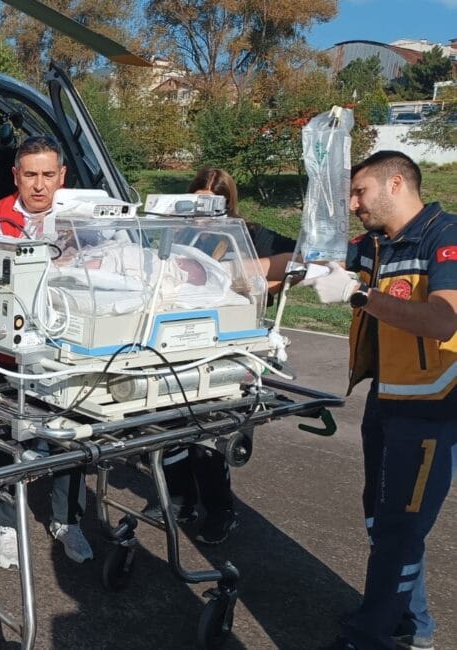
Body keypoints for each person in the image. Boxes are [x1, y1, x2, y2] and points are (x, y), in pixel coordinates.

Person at [305, 151, 457, 650]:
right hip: (386, 398)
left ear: (395, 184)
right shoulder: (376, 243)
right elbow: (310, 260)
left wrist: (358, 295)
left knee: (399, 528)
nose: (352, 204)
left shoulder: (445, 237)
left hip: (433, 407)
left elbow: (442, 321)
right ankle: (414, 628)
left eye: (360, 192)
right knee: (382, 518)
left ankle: (368, 636)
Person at [145, 168, 297, 545]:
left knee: (212, 434)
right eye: (196, 202)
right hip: (179, 343)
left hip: (228, 343)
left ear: (227, 203)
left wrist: (234, 273)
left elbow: (297, 260)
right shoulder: (176, 233)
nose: (202, 212)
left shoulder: (248, 234)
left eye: (211, 204)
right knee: (169, 427)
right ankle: (180, 498)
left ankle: (221, 509)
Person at [0, 135, 95, 569]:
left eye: (49, 175)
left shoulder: (83, 215)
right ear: (15, 176)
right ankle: (6, 526)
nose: (40, 185)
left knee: (72, 435)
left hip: (69, 351)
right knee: (11, 439)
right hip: (13, 356)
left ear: (63, 176)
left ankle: (67, 519)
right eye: (30, 175)